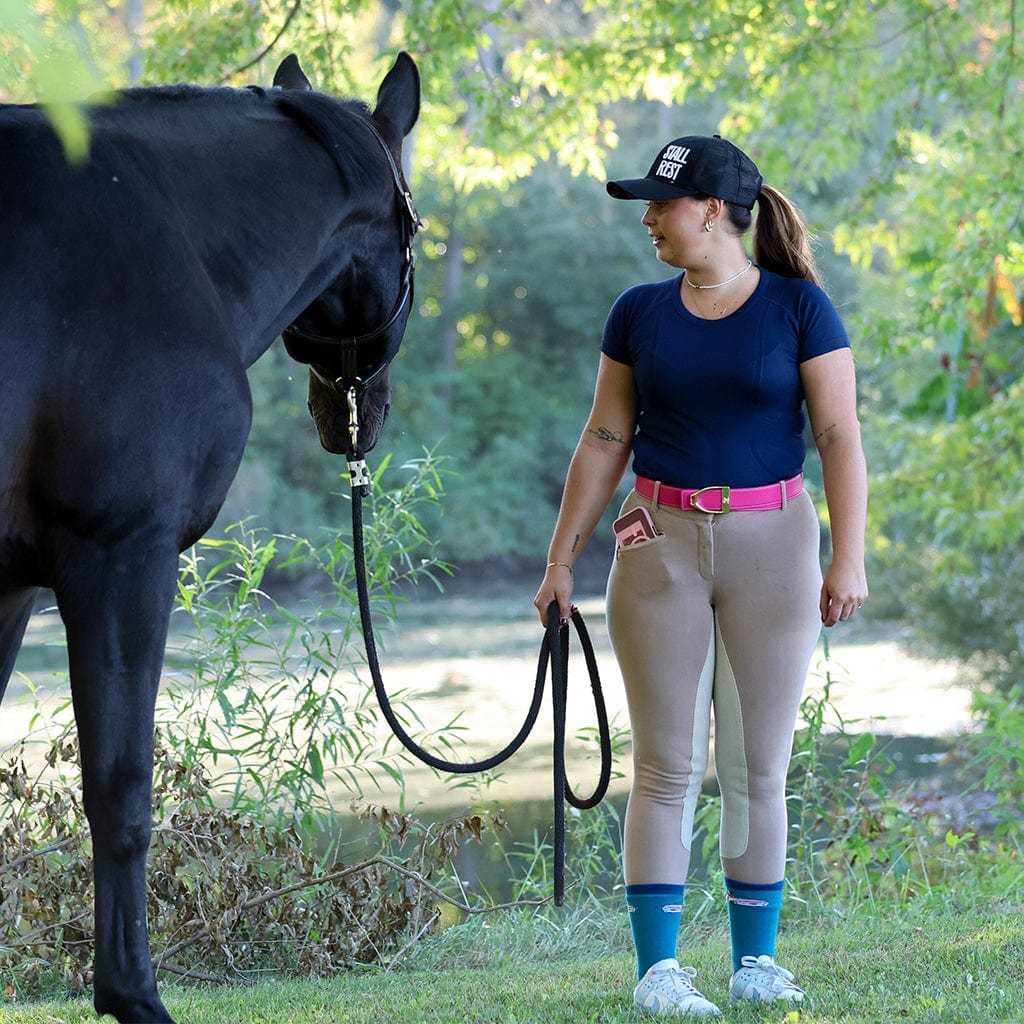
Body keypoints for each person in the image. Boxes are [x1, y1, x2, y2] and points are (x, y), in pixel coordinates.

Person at [532, 133, 868, 1017]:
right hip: (658, 544)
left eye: (661, 203)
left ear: (713, 210)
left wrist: (850, 556)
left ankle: (756, 962)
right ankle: (659, 973)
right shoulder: (638, 313)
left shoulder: (800, 309)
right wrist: (561, 559)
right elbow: (606, 437)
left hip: (774, 545)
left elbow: (839, 436)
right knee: (666, 765)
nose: (648, 218)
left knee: (759, 765)